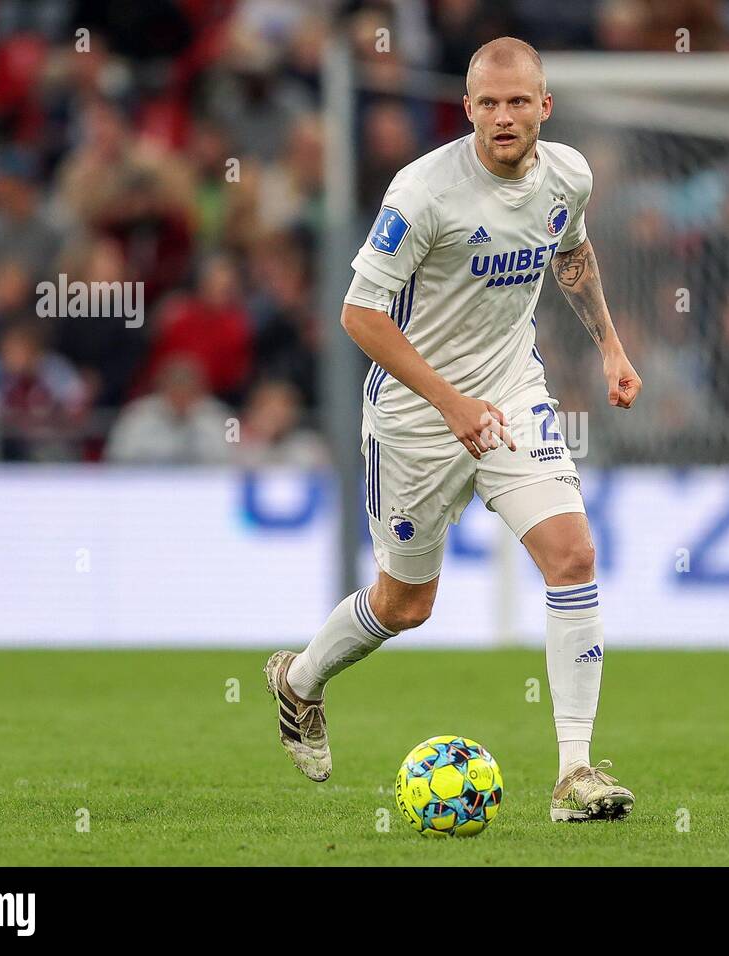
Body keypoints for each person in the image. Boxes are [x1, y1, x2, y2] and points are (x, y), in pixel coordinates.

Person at [264, 37, 643, 822]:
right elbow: (359, 315)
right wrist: (449, 404)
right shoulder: (423, 191)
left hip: (511, 396)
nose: (503, 117)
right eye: (487, 103)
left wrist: (609, 346)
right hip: (415, 419)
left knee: (573, 555)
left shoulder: (569, 174)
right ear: (467, 108)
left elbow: (571, 252)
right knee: (406, 605)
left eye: (518, 102)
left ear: (545, 106)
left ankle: (575, 773)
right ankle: (299, 681)